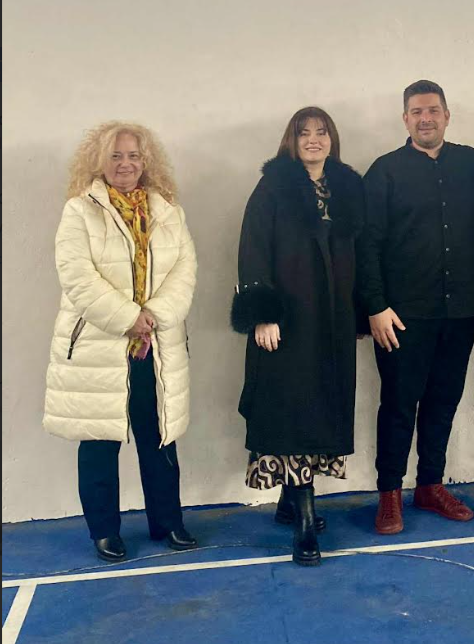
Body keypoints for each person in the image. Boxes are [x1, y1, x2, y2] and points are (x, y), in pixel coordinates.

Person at [44, 121, 198, 562]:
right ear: (100, 161)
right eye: (116, 156)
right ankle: (104, 531)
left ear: (146, 161)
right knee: (99, 440)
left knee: (159, 434)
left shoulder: (168, 210)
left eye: (133, 155)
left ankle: (167, 522)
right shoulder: (79, 210)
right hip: (98, 344)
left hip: (156, 344)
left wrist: (154, 317)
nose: (125, 164)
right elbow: (77, 277)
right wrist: (130, 318)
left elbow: (184, 271)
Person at [231, 107, 364, 565]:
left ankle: (290, 501)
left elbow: (360, 253)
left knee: (323, 407)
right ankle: (305, 521)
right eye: (304, 133)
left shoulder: (347, 188)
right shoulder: (273, 188)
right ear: (291, 140)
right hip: (288, 322)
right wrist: (263, 314)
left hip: (332, 322)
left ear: (332, 139)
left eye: (321, 132)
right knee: (294, 410)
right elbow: (252, 250)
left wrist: (361, 310)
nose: (313, 140)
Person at [358, 80, 474, 535]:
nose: (425, 118)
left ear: (447, 116)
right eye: (416, 112)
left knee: (443, 402)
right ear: (405, 119)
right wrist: (375, 306)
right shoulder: (384, 172)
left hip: (460, 312)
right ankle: (389, 494)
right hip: (401, 317)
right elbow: (366, 244)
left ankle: (430, 486)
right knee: (398, 404)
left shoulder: (473, 165)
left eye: (433, 110)